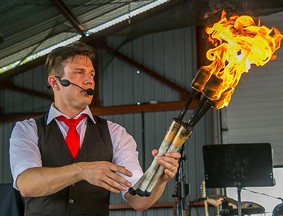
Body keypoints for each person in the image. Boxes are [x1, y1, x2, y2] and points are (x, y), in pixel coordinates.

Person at [9, 42, 181, 215]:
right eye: (78, 72)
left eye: (91, 73)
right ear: (55, 82)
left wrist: (158, 179)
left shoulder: (115, 133)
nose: (89, 80)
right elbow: (27, 184)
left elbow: (137, 200)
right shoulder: (27, 129)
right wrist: (81, 170)